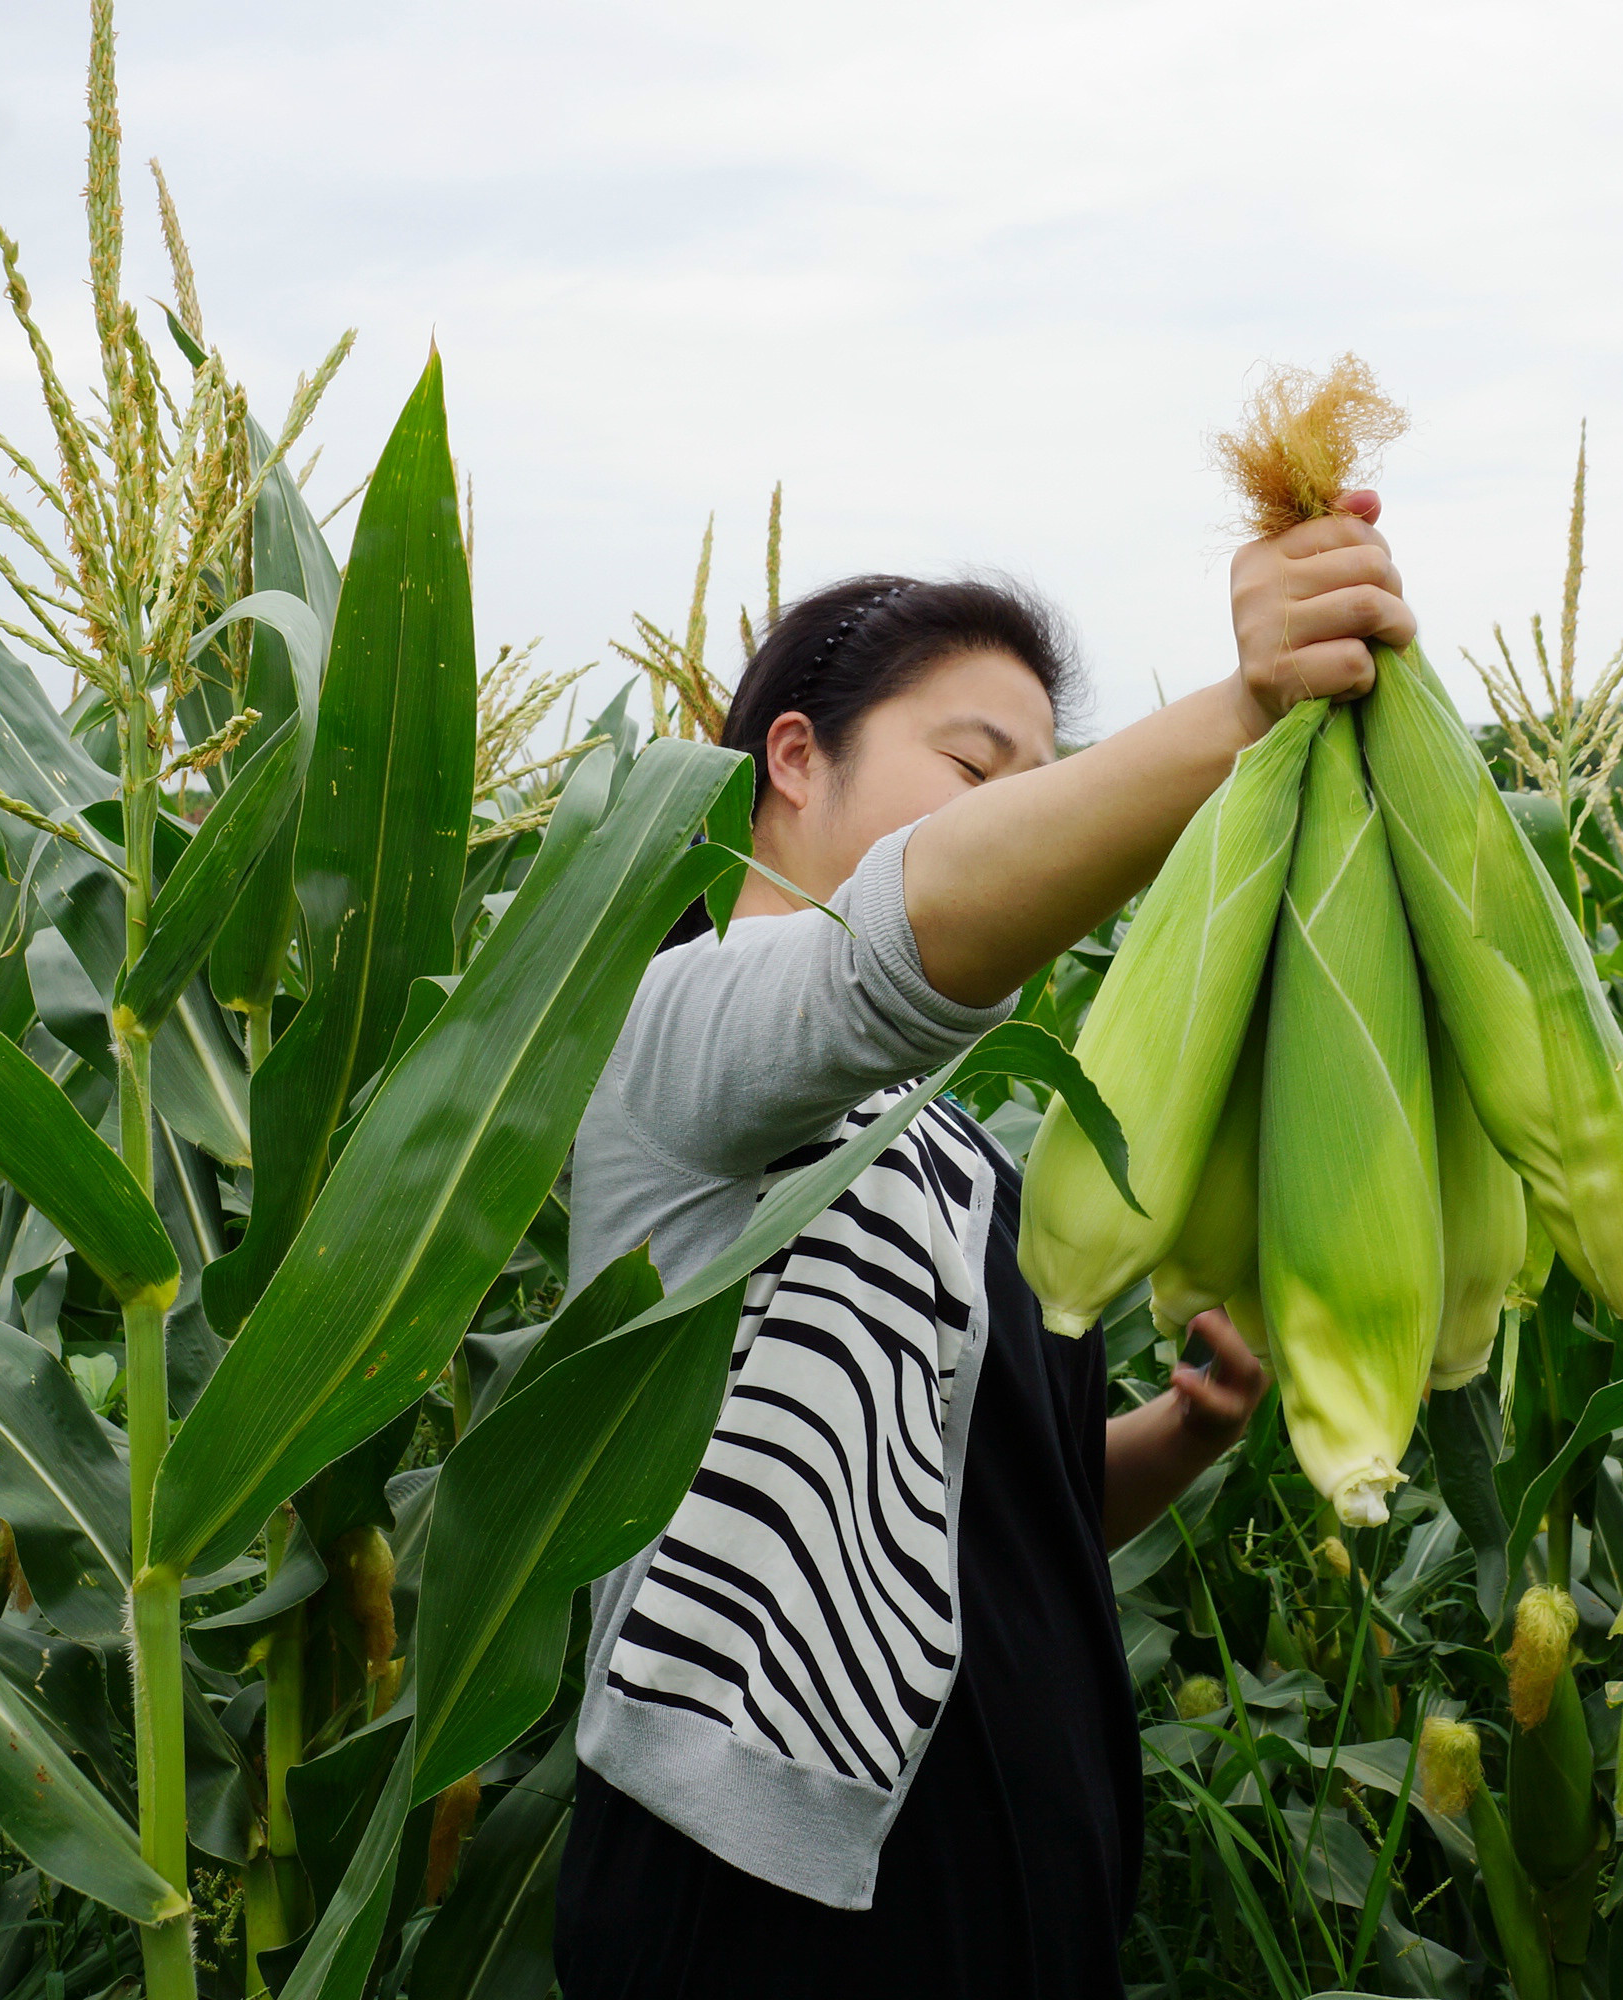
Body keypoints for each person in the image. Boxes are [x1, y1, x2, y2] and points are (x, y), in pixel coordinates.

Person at [552, 494, 1416, 1997]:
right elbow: (883, 957)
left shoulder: (950, 1140)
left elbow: (996, 1512)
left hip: (1014, 1907)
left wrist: (1187, 1431)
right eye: (974, 767)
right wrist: (1249, 709)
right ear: (795, 758)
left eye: (1043, 781)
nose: (1018, 814)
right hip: (766, 1919)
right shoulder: (663, 1039)